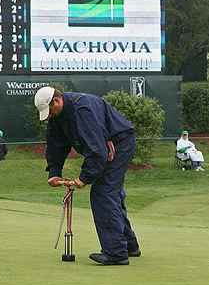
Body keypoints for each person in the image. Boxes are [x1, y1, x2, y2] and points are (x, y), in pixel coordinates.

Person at [34, 86, 140, 265]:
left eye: (49, 110)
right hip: (107, 144)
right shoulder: (58, 116)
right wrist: (54, 172)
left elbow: (97, 151)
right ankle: (129, 245)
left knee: (103, 193)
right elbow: (56, 144)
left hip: (120, 143)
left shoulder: (82, 109)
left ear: (57, 101)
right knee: (111, 193)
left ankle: (115, 253)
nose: (49, 115)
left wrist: (84, 178)